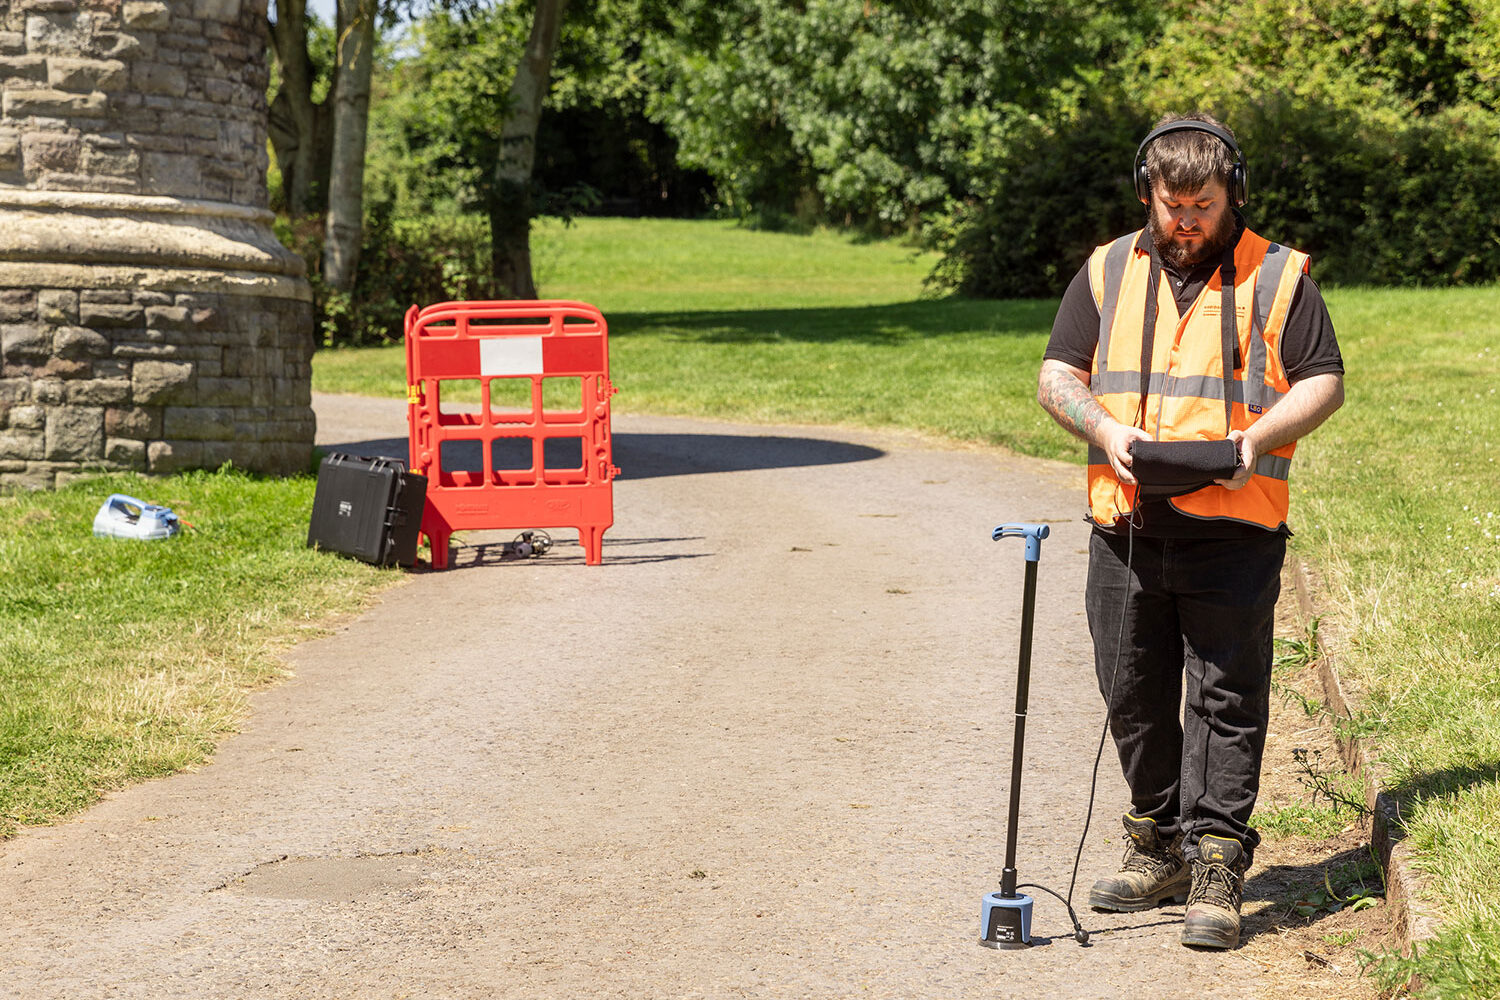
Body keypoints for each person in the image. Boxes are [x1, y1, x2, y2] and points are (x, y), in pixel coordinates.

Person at [1035, 112, 1345, 950]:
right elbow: (1056, 373)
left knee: (1225, 700)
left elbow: (1324, 381)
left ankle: (1216, 861)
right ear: (1148, 194)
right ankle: (1158, 842)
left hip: (1235, 531)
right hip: (1125, 527)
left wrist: (1256, 441)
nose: (1186, 223)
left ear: (1232, 194)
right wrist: (1105, 433)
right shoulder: (1106, 269)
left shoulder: (1280, 277)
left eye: (1203, 205)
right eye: (1172, 206)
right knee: (1131, 694)